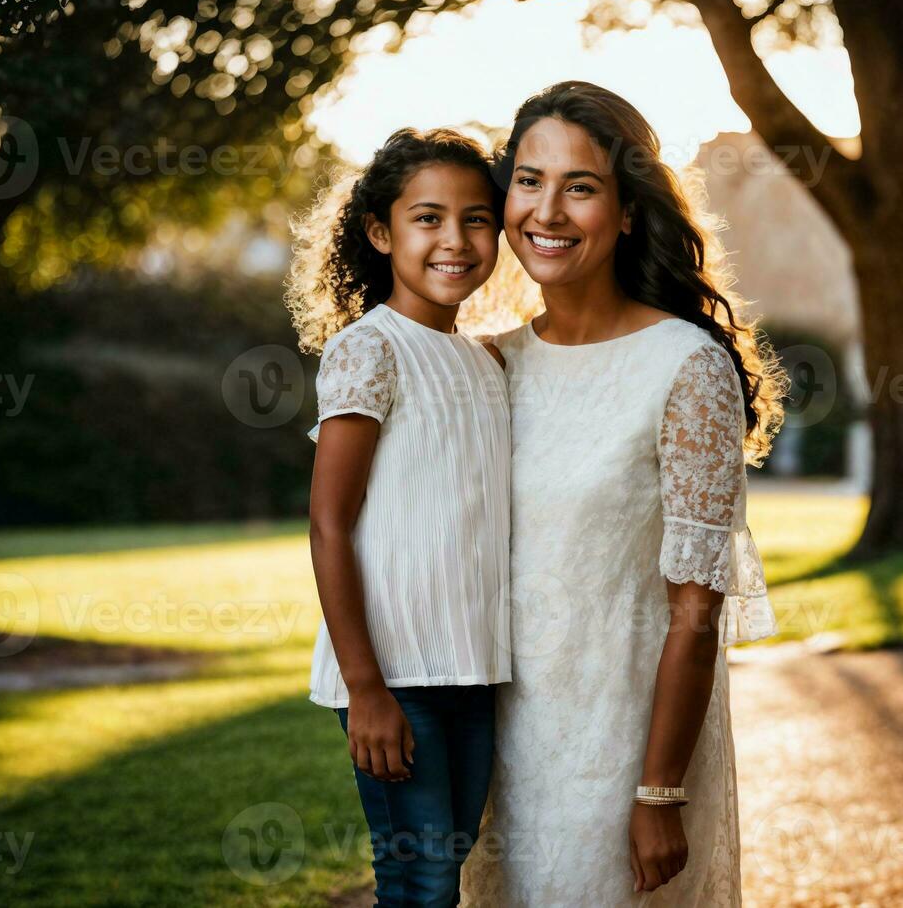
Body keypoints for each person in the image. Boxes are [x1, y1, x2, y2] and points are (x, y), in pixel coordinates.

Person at [458, 81, 786, 906]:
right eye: (528, 181)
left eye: (581, 186)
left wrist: (658, 793)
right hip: (496, 748)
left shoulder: (684, 367)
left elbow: (695, 608)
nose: (548, 211)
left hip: (623, 753)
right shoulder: (486, 366)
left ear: (629, 210)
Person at [286, 127, 511, 907]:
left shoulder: (486, 361)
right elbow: (329, 524)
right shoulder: (367, 350)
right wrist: (366, 689)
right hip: (392, 673)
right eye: (428, 218)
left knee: (448, 862)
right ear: (381, 232)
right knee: (417, 883)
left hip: (474, 667)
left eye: (476, 218)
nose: (455, 239)